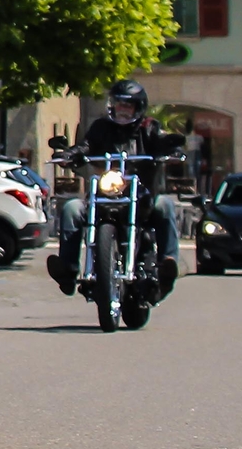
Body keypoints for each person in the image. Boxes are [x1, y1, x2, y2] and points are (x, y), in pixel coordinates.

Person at [47, 78, 181, 297]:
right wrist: (69, 154)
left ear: (138, 107)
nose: (123, 109)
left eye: (128, 105)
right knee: (72, 208)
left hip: (142, 196)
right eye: (119, 103)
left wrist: (171, 149)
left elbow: (160, 141)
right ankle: (68, 271)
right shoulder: (101, 127)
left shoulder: (149, 127)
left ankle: (168, 264)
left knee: (165, 205)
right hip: (104, 194)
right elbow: (86, 145)